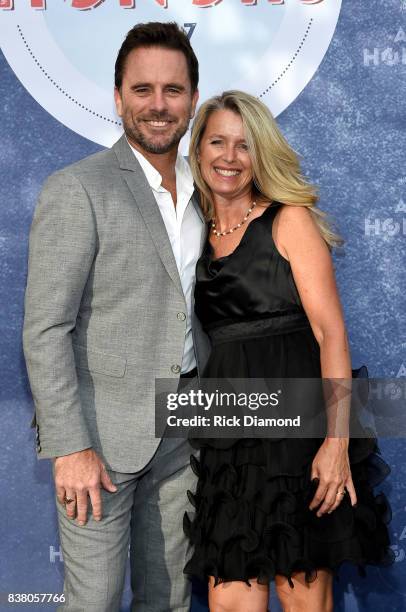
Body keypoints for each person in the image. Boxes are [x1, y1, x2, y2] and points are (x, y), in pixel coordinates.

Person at [23, 22, 210, 612]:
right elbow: (45, 328)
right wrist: (69, 446)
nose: (158, 106)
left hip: (186, 429)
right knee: (96, 602)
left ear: (193, 100)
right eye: (142, 89)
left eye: (173, 91)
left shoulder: (211, 190)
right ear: (118, 96)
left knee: (171, 598)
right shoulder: (78, 189)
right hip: (99, 441)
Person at [182, 91, 393, 612]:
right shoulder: (192, 232)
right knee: (230, 598)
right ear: (198, 149)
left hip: (301, 436)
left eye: (244, 146)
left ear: (262, 154)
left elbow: (330, 334)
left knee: (302, 598)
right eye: (217, 142)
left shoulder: (289, 220)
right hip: (232, 440)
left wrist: (336, 443)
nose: (229, 157)